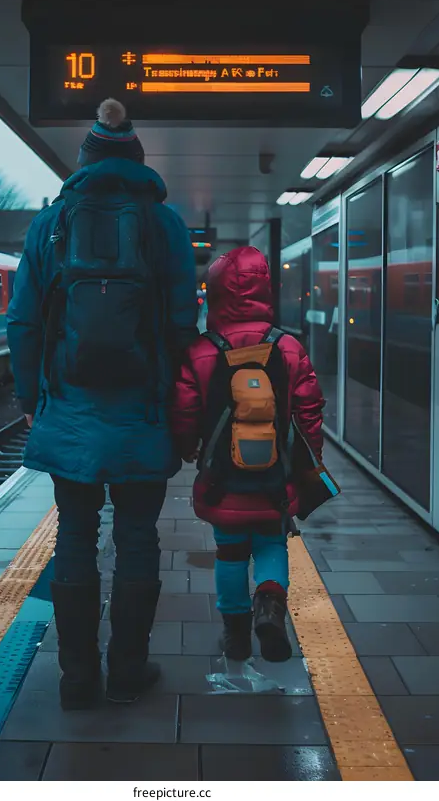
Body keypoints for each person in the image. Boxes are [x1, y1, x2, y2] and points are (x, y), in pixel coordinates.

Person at [7, 99, 198, 708]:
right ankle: (129, 669)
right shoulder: (163, 223)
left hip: (69, 407)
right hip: (142, 410)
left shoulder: (52, 223)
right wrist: (178, 399)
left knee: (76, 534)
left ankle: (77, 677)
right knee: (138, 536)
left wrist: (30, 396)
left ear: (83, 161)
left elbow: (23, 322)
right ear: (138, 159)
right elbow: (180, 321)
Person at [172, 246, 324, 662]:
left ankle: (235, 634)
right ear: (266, 291)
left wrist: (188, 450)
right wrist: (312, 458)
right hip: (277, 478)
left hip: (223, 480)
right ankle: (270, 608)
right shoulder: (289, 347)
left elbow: (184, 413)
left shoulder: (202, 351)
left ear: (218, 293)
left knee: (231, 551)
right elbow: (310, 411)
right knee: (273, 544)